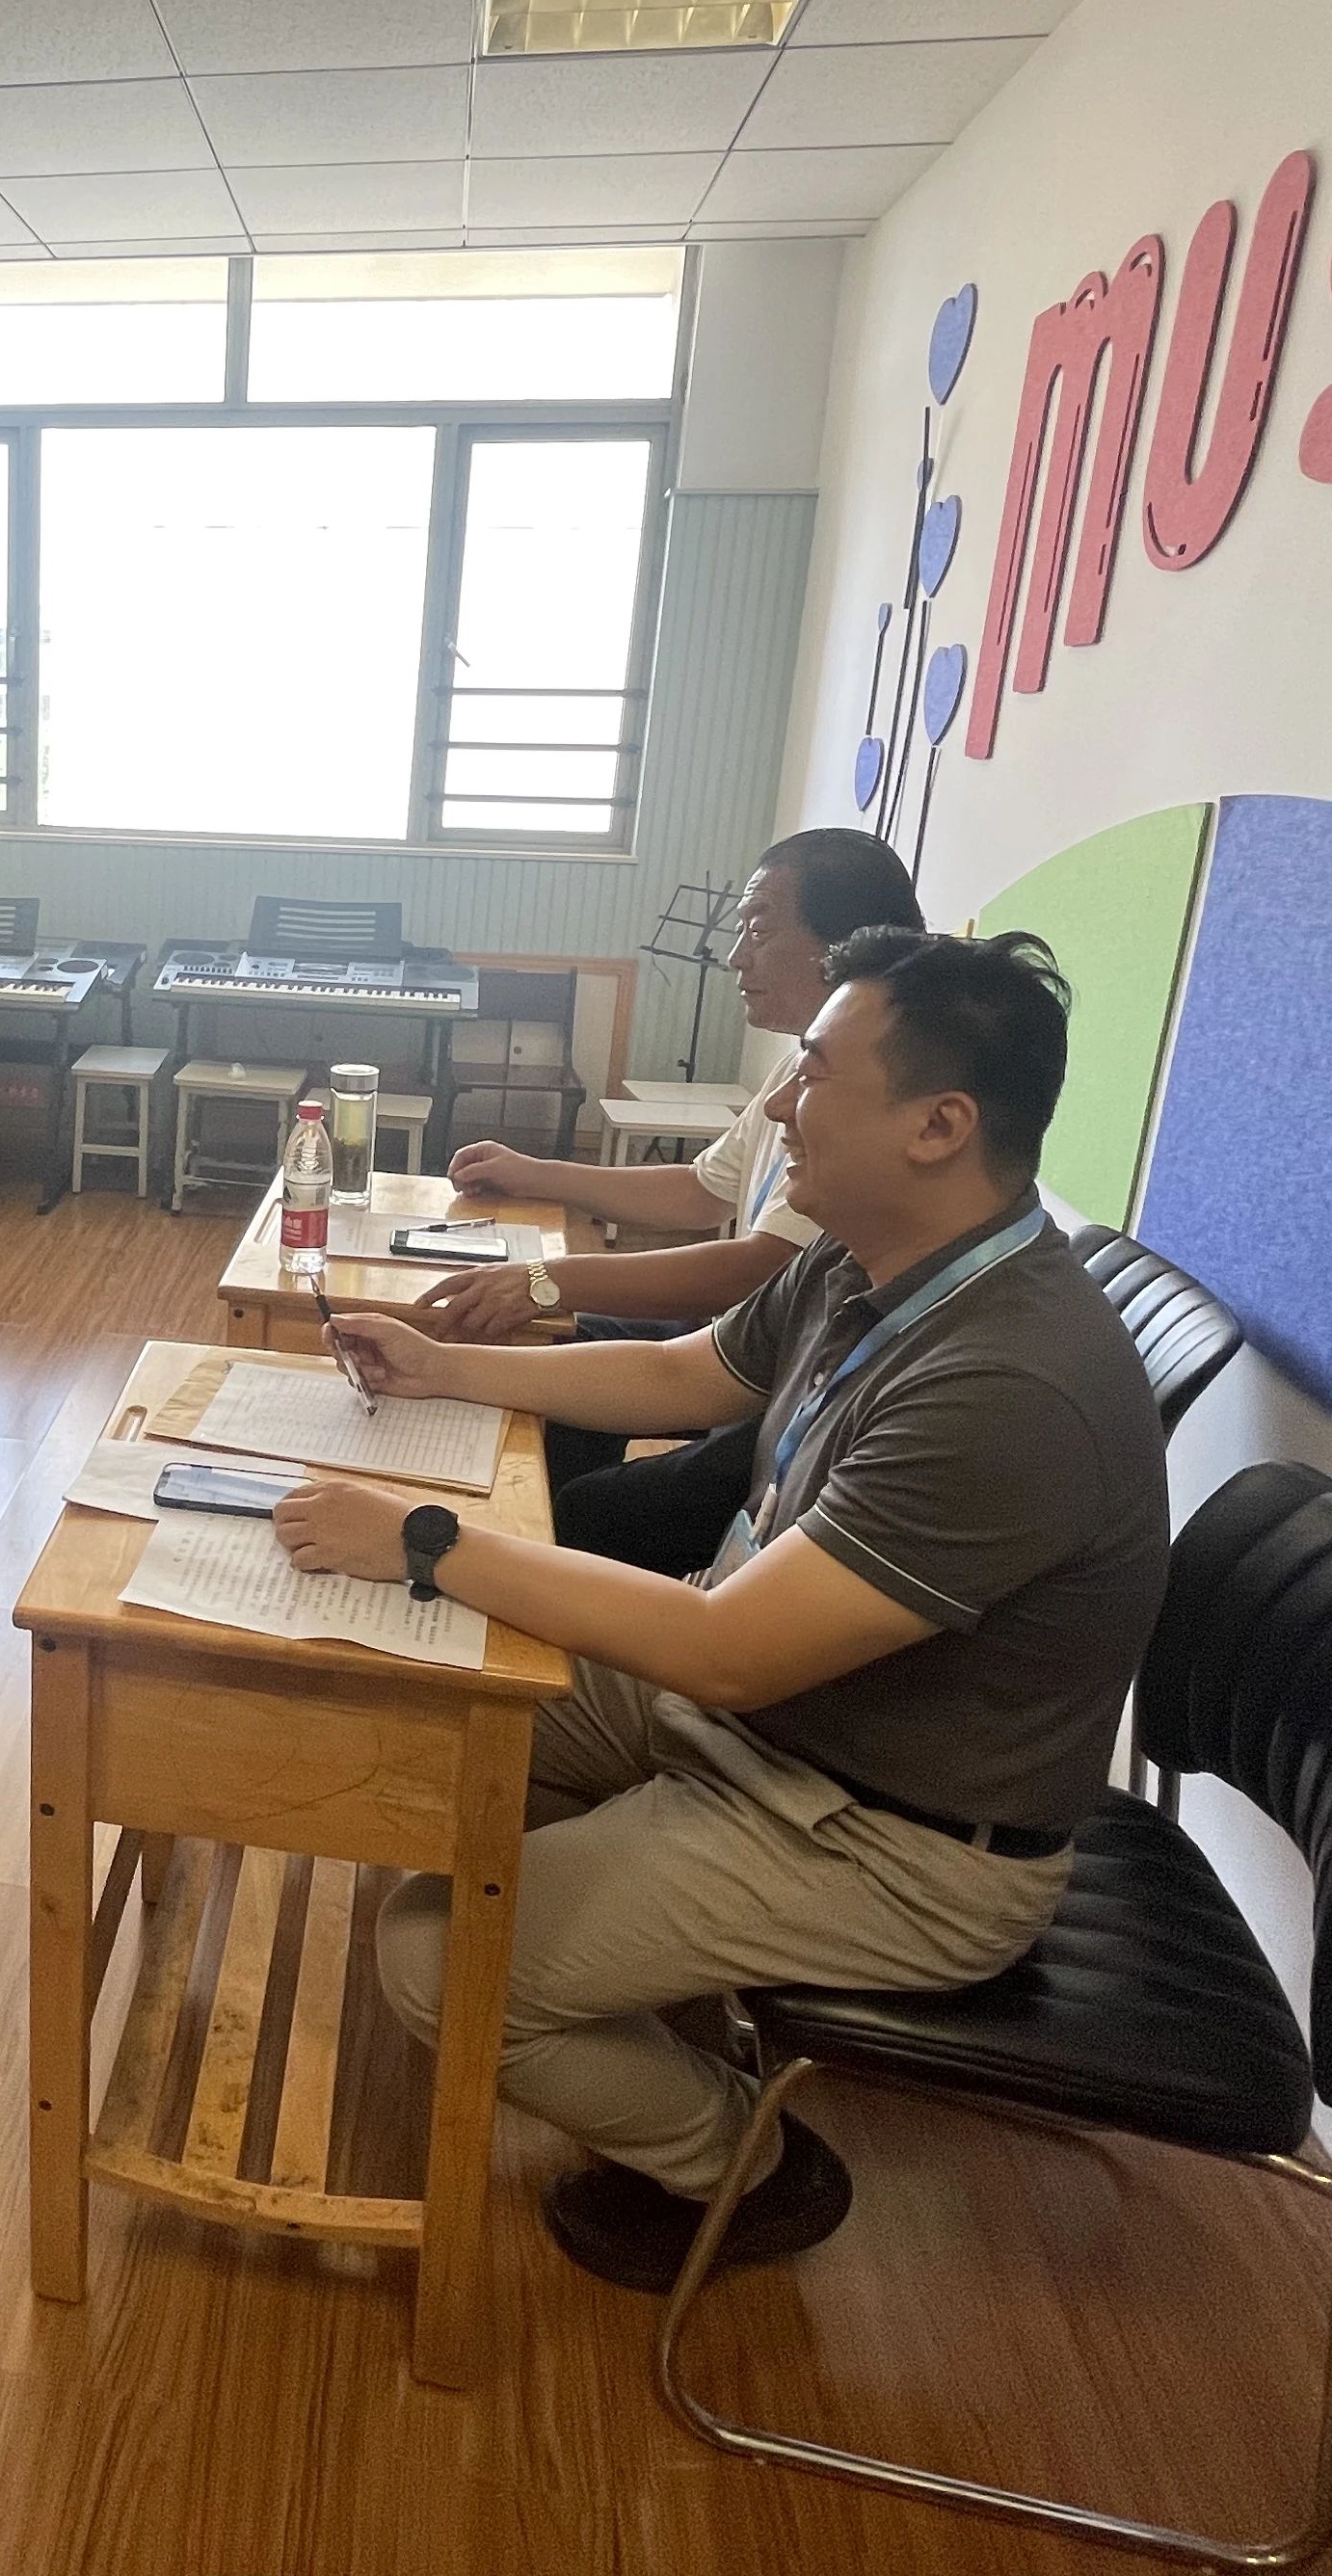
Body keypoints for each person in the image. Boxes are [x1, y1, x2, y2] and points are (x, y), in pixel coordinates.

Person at [284, 930, 1168, 2294]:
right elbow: (686, 1377)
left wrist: (423, 1538)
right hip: (777, 1727)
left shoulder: (1012, 1385)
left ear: (940, 1126)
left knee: (439, 1958)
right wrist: (444, 1366)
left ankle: (746, 2166)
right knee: (434, 1701)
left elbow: (728, 1654)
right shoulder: (873, 1258)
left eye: (814, 1073)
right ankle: (634, 1969)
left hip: (892, 1835)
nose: (778, 1103)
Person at [421, 828, 924, 1579]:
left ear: (843, 946)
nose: (736, 957)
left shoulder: (863, 1102)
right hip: (755, 1350)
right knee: (564, 1353)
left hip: (791, 1387)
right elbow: (700, 1189)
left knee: (592, 1501)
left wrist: (548, 1278)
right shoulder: (802, 1064)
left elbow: (757, 1269)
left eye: (759, 929)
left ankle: (543, 1573)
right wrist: (538, 1174)